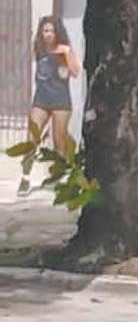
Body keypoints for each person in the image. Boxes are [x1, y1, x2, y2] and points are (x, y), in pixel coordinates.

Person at [21, 16, 80, 196]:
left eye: (51, 31)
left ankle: (59, 178)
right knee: (31, 139)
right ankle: (25, 178)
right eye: (45, 30)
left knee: (58, 141)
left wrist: (66, 53)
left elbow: (75, 72)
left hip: (61, 101)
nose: (48, 34)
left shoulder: (64, 49)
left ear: (57, 33)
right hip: (41, 100)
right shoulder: (39, 49)